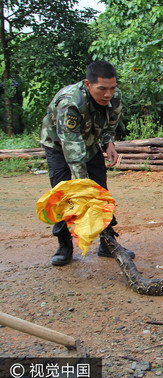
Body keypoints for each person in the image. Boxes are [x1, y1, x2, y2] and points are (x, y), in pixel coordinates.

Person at [40, 60, 135, 266]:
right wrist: (82, 188)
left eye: (112, 88)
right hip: (59, 145)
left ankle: (107, 244)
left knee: (100, 192)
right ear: (87, 84)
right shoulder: (70, 104)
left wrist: (108, 142)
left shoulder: (114, 96)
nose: (108, 94)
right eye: (102, 89)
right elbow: (73, 152)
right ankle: (64, 245)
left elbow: (112, 122)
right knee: (64, 195)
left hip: (90, 143)